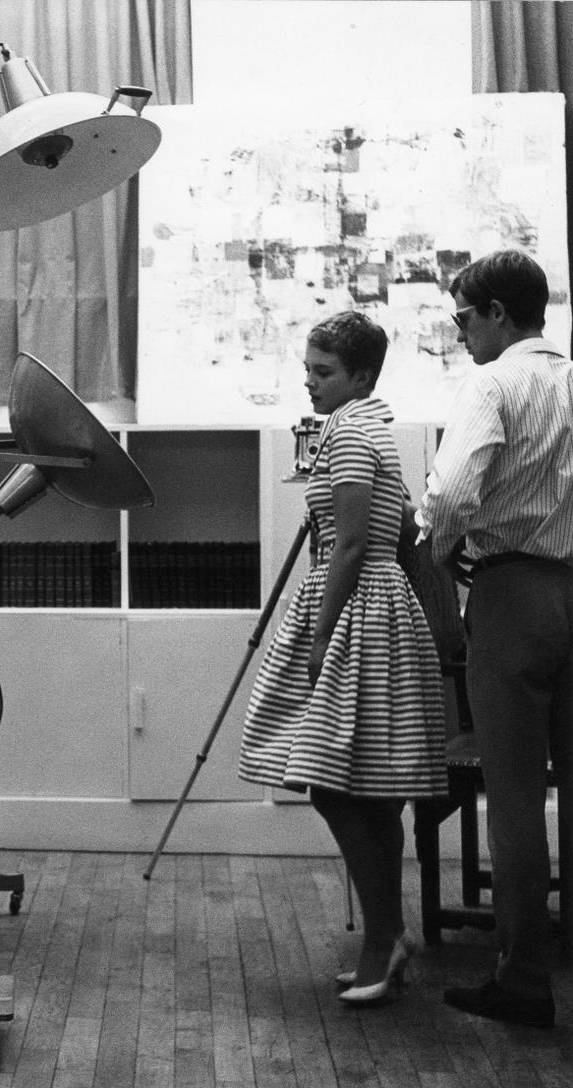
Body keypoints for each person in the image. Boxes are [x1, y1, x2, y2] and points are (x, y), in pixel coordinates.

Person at [238, 311, 447, 1006]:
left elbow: (353, 544)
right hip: (373, 601)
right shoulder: (368, 426)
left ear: (361, 376)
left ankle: (383, 938)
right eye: (308, 368)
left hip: (358, 605)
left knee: (337, 785)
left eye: (324, 372)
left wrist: (323, 634)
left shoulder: (351, 431)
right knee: (366, 786)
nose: (310, 381)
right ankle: (390, 935)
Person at [419, 249, 573, 1030]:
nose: (460, 334)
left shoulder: (493, 384)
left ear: (498, 314)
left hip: (514, 592)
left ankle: (523, 980)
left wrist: (442, 549)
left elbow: (451, 492)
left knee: (513, 799)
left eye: (463, 318)